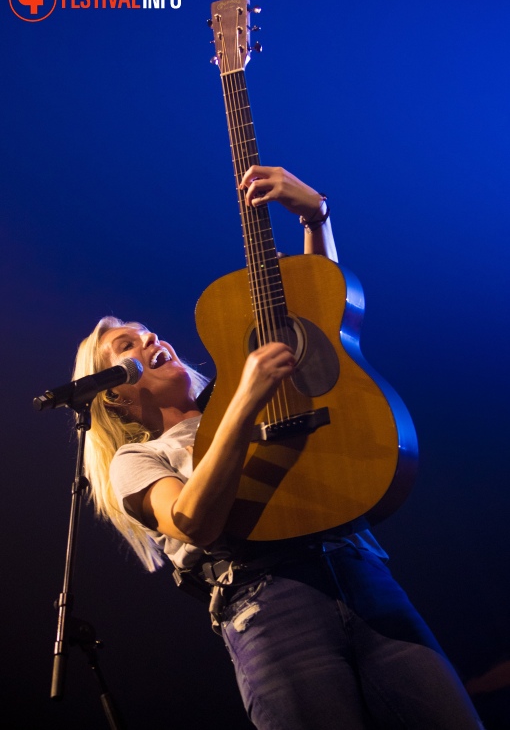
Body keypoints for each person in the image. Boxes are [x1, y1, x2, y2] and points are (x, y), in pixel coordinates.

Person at [74, 166, 483, 729]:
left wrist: (316, 216)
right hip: (268, 610)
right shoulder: (136, 460)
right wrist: (245, 400)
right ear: (114, 397)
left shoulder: (252, 394)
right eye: (128, 345)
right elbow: (192, 520)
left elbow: (323, 311)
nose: (150, 339)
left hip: (360, 572)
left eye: (146, 331)